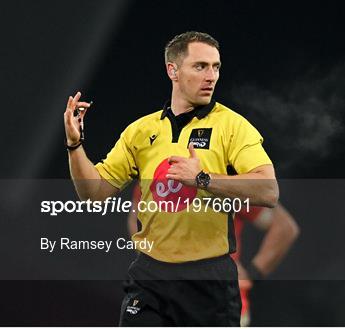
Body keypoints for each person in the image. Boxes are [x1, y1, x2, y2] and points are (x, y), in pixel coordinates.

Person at [63, 31, 279, 326]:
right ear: (172, 70)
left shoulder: (232, 126)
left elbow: (268, 190)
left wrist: (202, 179)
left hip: (209, 279)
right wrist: (75, 146)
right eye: (200, 66)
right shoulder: (140, 130)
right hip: (150, 276)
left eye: (216, 67)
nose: (211, 76)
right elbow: (94, 193)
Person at [127, 187, 299, 327]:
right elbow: (136, 217)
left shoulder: (229, 182)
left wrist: (250, 275)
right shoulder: (158, 173)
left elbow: (284, 227)